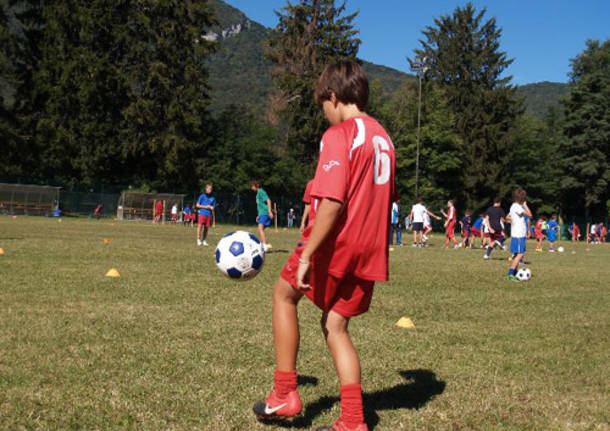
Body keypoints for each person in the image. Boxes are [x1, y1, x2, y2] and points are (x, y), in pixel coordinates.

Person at [252, 60, 395, 431]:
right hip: (370, 250)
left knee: (283, 295)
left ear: (333, 96)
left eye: (323, 107)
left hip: (338, 243)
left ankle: (284, 392)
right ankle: (352, 420)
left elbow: (331, 202)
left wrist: (309, 254)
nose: (325, 115)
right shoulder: (384, 137)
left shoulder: (341, 134)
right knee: (336, 325)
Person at [505, 188, 532, 281]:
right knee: (520, 254)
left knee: (516, 254)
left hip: (516, 233)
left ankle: (515, 272)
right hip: (519, 234)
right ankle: (510, 273)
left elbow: (507, 217)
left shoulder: (513, 206)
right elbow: (530, 215)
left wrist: (514, 221)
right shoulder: (517, 207)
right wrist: (525, 206)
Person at [251, 180, 274, 252]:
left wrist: (270, 211)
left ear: (256, 185)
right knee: (261, 229)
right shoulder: (258, 193)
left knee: (260, 228)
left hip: (265, 213)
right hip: (262, 214)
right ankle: (263, 245)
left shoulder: (261, 191)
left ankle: (264, 246)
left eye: (252, 186)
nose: (251, 188)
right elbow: (260, 205)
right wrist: (258, 215)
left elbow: (268, 200)